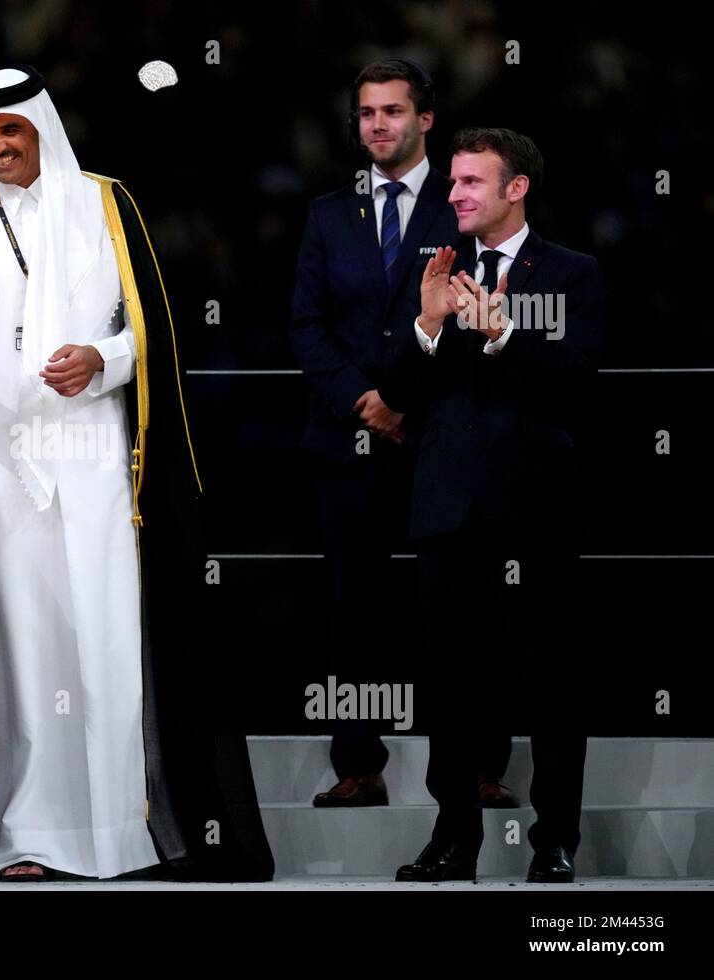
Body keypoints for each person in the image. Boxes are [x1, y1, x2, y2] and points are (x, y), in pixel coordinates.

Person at [0, 65, 274, 881]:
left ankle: (115, 832)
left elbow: (154, 333)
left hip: (96, 464)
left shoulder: (105, 204)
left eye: (10, 132)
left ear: (41, 129)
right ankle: (24, 833)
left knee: (104, 641)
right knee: (20, 653)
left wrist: (102, 359)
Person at [292, 59, 516, 809]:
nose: (378, 125)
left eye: (392, 111)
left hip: (439, 442)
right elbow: (306, 327)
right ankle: (358, 765)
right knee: (353, 611)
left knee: (462, 607)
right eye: (366, 113)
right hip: (348, 443)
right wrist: (366, 400)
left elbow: (482, 316)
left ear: (425, 120)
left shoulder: (463, 208)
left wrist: (404, 404)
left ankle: (480, 767)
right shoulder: (328, 214)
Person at [384, 129, 602, 883]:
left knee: (548, 680)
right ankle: (454, 843)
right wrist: (429, 324)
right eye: (452, 183)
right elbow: (395, 396)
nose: (454, 195)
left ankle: (555, 843)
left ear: (517, 189)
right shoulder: (437, 272)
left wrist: (505, 332)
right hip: (448, 507)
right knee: (451, 684)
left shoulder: (573, 273)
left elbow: (577, 384)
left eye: (473, 182)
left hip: (536, 508)